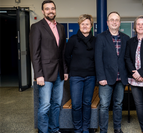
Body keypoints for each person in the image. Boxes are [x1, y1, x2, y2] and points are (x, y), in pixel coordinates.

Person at [29, 0, 68, 133]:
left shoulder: (61, 27)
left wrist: (65, 71)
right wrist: (38, 74)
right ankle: (43, 131)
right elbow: (35, 53)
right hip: (44, 73)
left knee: (57, 104)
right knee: (45, 105)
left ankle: (54, 129)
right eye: (47, 9)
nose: (50, 11)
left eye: (52, 8)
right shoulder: (37, 27)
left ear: (55, 10)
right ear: (43, 11)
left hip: (59, 73)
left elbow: (62, 52)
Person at [95, 11, 130, 133]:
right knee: (104, 106)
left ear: (119, 23)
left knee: (118, 104)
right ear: (107, 22)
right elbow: (98, 59)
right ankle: (103, 130)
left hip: (121, 78)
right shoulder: (100, 38)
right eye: (112, 20)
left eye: (117, 20)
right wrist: (101, 77)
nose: (114, 22)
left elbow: (127, 59)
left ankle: (117, 128)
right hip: (106, 78)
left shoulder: (126, 38)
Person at [64, 14, 96, 133]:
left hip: (91, 76)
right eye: (82, 24)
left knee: (87, 103)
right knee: (76, 104)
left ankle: (85, 128)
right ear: (79, 25)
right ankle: (78, 129)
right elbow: (66, 56)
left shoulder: (95, 40)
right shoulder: (73, 39)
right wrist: (72, 68)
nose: (85, 26)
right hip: (76, 76)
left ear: (91, 26)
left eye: (87, 24)